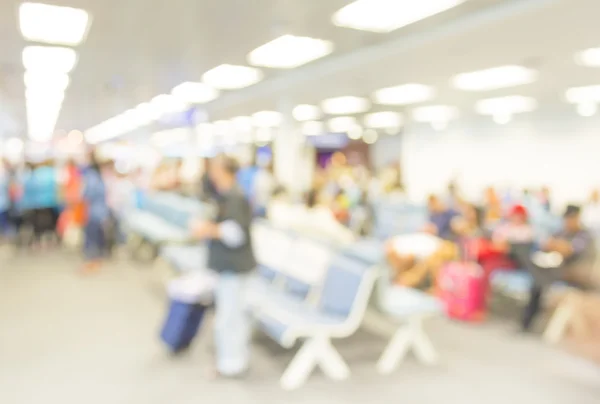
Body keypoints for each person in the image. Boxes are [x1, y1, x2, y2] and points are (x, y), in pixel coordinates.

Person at [190, 155, 255, 378]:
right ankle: (231, 360)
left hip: (234, 269)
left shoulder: (235, 197)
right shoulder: (225, 196)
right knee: (230, 316)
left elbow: (236, 234)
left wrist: (208, 229)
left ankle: (232, 363)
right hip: (227, 268)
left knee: (231, 318)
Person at [521, 205, 596, 331]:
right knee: (538, 280)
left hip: (580, 276)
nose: (568, 222)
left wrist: (557, 246)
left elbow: (568, 250)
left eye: (571, 219)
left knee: (541, 279)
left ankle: (528, 321)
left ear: (577, 218)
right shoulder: (563, 232)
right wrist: (557, 245)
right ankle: (528, 321)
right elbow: (546, 244)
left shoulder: (584, 235)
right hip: (560, 270)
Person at [81, 152, 109, 272]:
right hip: (102, 212)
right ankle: (97, 260)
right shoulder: (100, 178)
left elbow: (87, 195)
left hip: (93, 212)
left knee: (91, 238)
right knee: (98, 237)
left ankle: (91, 262)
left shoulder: (91, 178)